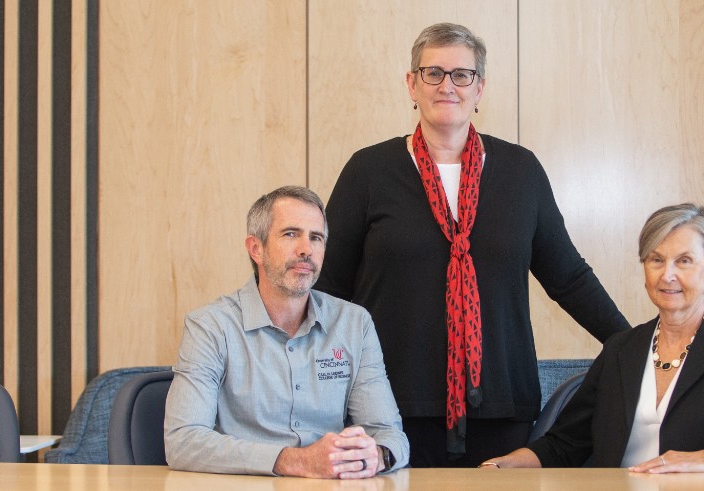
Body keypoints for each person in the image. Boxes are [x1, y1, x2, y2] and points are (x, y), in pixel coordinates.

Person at [315, 22, 631, 467]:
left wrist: (635, 345)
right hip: (389, 408)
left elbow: (569, 277)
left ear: (479, 87)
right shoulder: (368, 172)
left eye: (462, 75)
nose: (448, 86)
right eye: (433, 73)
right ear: (412, 83)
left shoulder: (521, 172)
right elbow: (327, 290)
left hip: (502, 408)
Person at [479, 203, 704, 471]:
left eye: (684, 261)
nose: (667, 274)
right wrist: (506, 463)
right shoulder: (621, 349)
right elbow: (562, 445)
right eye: (656, 259)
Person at [164, 186, 409, 478]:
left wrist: (375, 456)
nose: (306, 249)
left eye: (316, 238)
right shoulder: (210, 326)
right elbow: (183, 441)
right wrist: (295, 461)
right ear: (256, 248)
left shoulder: (355, 324)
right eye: (291, 234)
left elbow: (390, 436)